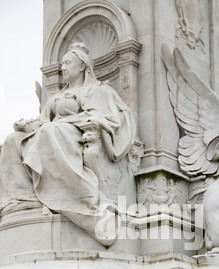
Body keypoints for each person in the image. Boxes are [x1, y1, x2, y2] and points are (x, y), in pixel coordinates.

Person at [0, 42, 135, 246]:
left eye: (67, 63)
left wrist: (80, 119)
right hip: (53, 132)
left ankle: (72, 197)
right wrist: (26, 125)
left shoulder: (98, 91)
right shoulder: (56, 96)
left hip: (74, 133)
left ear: (82, 66)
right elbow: (42, 121)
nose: (62, 67)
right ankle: (21, 197)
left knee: (51, 131)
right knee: (11, 140)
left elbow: (111, 117)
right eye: (61, 64)